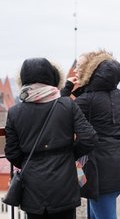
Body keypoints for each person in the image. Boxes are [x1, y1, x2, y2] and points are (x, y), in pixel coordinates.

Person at [5, 58, 97, 219]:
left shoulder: (14, 112)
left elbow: (12, 153)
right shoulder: (67, 105)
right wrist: (68, 156)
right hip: (64, 182)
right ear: (52, 77)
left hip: (33, 186)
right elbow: (89, 138)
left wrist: (30, 161)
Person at [61, 49, 120, 219]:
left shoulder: (87, 100)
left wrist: (68, 88)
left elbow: (59, 112)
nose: (76, 70)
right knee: (97, 212)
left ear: (89, 69)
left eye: (79, 66)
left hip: (97, 170)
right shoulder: (119, 95)